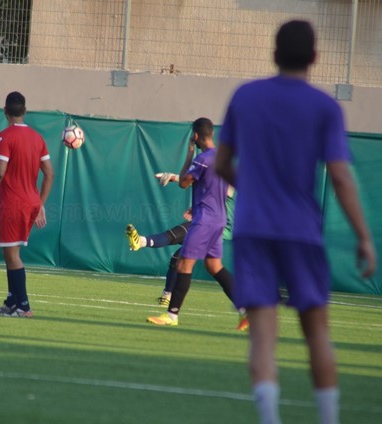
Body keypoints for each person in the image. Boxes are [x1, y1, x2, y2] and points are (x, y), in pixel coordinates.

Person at [215, 20, 377, 424]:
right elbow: (340, 176)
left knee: (263, 336)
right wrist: (364, 237)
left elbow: (222, 163)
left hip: (253, 230)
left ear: (273, 54)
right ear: (315, 58)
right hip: (301, 231)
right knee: (317, 333)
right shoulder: (325, 107)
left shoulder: (245, 97)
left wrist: (251, 191)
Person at [144, 118, 247, 330]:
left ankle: (171, 315)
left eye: (193, 137)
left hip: (205, 220)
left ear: (196, 136)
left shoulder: (201, 159)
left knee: (183, 264)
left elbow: (183, 183)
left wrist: (189, 153)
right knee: (214, 266)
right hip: (220, 219)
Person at [0, 91, 54, 318]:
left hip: (13, 203)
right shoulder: (37, 137)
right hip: (30, 203)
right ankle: (12, 301)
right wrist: (40, 204)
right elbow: (49, 174)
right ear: (25, 111)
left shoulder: (5, 136)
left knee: (12, 255)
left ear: (5, 111)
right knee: (9, 252)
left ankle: (23, 306)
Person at [127, 183, 235, 308]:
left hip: (215, 228)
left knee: (212, 266)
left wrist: (175, 177)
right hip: (210, 225)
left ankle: (141, 241)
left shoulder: (230, 184)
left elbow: (209, 187)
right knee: (179, 259)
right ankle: (167, 297)